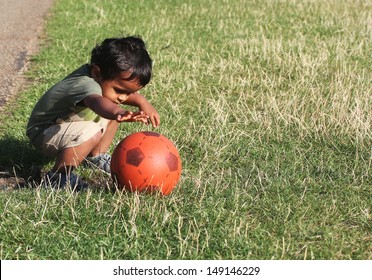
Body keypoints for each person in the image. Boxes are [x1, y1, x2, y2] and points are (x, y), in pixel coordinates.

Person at [26, 36, 159, 190]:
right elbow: (96, 102)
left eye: (129, 93)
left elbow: (115, 99)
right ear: (96, 72)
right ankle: (59, 176)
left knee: (114, 110)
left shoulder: (101, 78)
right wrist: (118, 112)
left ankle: (96, 157)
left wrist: (142, 103)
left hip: (63, 124)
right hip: (43, 131)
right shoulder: (85, 84)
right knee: (103, 120)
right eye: (119, 90)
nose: (123, 97)